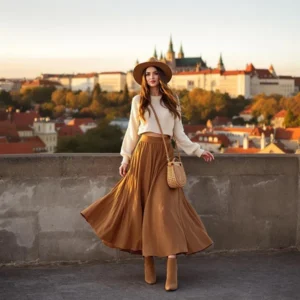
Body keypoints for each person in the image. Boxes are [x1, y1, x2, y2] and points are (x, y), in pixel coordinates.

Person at [80, 57, 214, 291]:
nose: (152, 77)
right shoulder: (137, 101)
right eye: (148, 74)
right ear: (144, 78)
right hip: (142, 155)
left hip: (164, 157)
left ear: (161, 76)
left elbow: (179, 135)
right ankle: (148, 261)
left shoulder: (172, 100)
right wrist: (126, 157)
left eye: (155, 73)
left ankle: (172, 263)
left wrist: (199, 150)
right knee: (140, 208)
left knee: (166, 211)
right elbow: (132, 132)